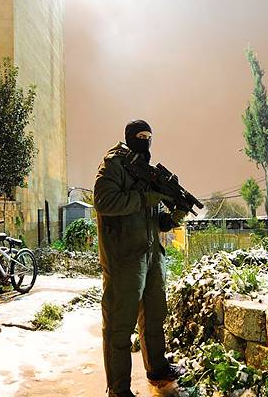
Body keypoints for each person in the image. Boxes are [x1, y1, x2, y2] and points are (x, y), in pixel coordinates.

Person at [93, 119, 187, 397]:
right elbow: (104, 201)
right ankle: (119, 389)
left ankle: (157, 368)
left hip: (150, 255)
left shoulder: (144, 171)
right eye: (140, 136)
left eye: (149, 136)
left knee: (155, 316)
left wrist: (169, 218)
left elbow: (149, 217)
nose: (145, 141)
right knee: (119, 326)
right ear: (129, 138)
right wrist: (144, 199)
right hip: (124, 259)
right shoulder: (113, 165)